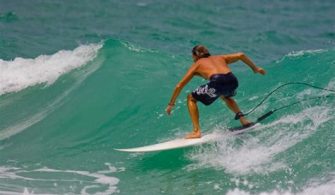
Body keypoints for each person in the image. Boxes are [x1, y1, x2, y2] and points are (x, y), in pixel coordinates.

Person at [166, 45, 266, 139]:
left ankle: (196, 131)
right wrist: (255, 68)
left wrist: (171, 104)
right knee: (226, 97)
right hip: (232, 80)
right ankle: (243, 120)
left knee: (191, 98)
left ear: (195, 55)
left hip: (218, 81)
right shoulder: (220, 57)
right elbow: (241, 55)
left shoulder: (197, 64)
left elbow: (179, 85)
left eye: (192, 57)